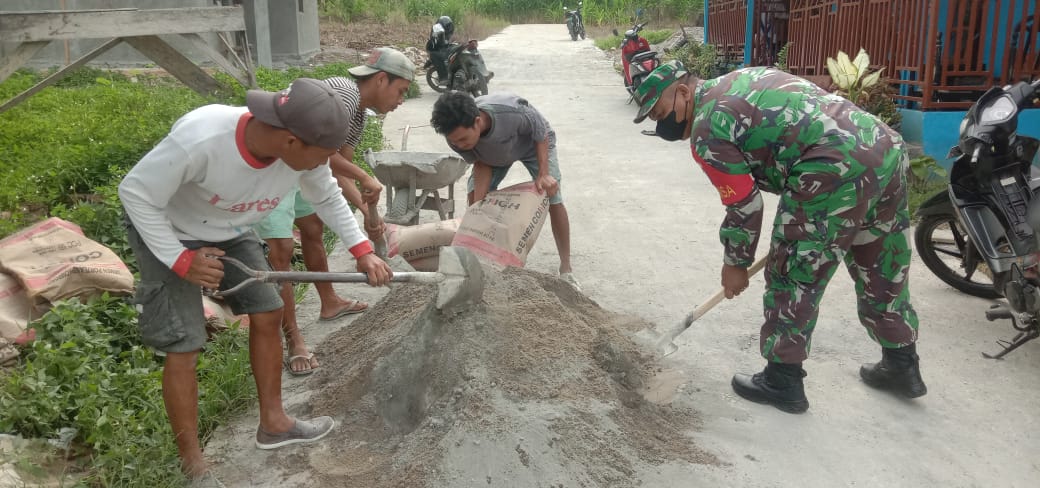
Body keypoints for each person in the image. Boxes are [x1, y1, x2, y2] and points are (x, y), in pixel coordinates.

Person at [119, 78, 393, 481]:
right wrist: (181, 261)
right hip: (167, 229)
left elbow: (327, 195)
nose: (324, 163)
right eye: (321, 155)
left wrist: (361, 250)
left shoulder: (306, 152)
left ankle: (274, 424)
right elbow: (136, 193)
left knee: (268, 309)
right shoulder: (203, 137)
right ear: (289, 141)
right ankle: (193, 464)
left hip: (229, 229)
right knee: (185, 344)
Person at [632, 61, 927, 414]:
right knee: (882, 262)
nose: (661, 124)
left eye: (661, 112)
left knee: (794, 271)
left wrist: (736, 264)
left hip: (830, 166)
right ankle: (901, 364)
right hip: (882, 149)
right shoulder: (740, 79)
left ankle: (782, 380)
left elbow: (745, 205)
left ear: (683, 92)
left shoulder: (707, 126)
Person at [254, 47, 416, 376]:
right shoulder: (342, 95)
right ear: (381, 80)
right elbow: (328, 157)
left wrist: (368, 211)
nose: (400, 101)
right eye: (400, 91)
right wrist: (366, 178)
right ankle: (294, 339)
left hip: (307, 171)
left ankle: (329, 303)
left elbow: (334, 170)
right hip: (278, 166)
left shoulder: (357, 115)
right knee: (281, 251)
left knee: (313, 229)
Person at [430, 91, 579, 290]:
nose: (459, 145)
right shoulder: (455, 138)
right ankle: (481, 261)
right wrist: (477, 209)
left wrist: (543, 174)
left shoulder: (512, 112)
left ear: (477, 121)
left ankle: (566, 269)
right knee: (475, 199)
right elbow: (481, 165)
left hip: (533, 145)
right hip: (492, 155)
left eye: (463, 140)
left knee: (553, 196)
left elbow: (540, 132)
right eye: (455, 142)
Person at [426, 15, 456, 85]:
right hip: (445, 49)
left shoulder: (439, 29)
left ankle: (444, 78)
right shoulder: (442, 29)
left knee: (434, 55)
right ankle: (446, 77)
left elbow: (440, 43)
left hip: (444, 50)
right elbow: (441, 42)